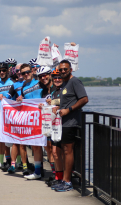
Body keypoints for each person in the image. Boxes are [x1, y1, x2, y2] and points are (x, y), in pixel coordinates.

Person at [52, 60, 88, 192]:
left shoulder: (75, 82)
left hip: (71, 122)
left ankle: (67, 182)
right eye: (60, 70)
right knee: (64, 151)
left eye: (65, 69)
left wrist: (69, 110)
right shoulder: (65, 83)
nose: (62, 71)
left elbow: (84, 99)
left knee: (68, 151)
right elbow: (67, 101)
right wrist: (58, 107)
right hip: (63, 122)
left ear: (70, 69)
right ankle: (64, 180)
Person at [17, 63, 48, 180]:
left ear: (32, 71)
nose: (26, 74)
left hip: (44, 117)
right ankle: (38, 171)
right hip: (32, 120)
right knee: (35, 146)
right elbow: (24, 102)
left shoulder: (40, 82)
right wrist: (21, 100)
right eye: (23, 73)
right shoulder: (23, 87)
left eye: (28, 72)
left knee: (49, 147)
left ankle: (55, 173)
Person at [5, 63, 34, 176]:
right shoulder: (15, 85)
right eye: (18, 71)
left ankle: (26, 165)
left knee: (25, 142)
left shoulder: (30, 82)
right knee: (16, 141)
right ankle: (13, 165)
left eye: (22, 72)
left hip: (30, 115)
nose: (20, 73)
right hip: (18, 115)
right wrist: (2, 99)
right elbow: (8, 97)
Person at [0, 62, 14, 171]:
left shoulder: (13, 81)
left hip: (12, 114)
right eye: (0, 71)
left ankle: (16, 162)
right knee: (3, 139)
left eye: (4, 70)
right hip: (1, 115)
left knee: (15, 138)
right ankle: (6, 161)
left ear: (7, 71)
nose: (2, 72)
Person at [36, 66, 56, 179]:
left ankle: (59, 175)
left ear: (50, 74)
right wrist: (41, 106)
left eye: (45, 75)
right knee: (48, 148)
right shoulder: (43, 91)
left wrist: (52, 102)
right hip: (47, 123)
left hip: (57, 123)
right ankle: (54, 173)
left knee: (55, 150)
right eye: (40, 76)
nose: (43, 78)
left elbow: (62, 100)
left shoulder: (56, 87)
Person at [45, 69, 64, 187]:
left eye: (59, 77)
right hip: (55, 127)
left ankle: (65, 179)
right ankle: (58, 177)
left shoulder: (66, 90)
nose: (57, 79)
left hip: (64, 126)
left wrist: (56, 104)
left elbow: (68, 103)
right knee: (55, 153)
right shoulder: (53, 92)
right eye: (55, 77)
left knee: (62, 154)